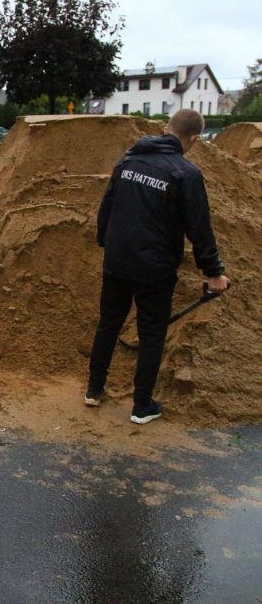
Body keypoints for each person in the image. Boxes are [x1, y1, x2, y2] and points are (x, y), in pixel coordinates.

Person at [85, 109, 230, 424]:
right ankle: (141, 406)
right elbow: (199, 228)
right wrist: (214, 272)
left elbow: (106, 207)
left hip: (118, 259)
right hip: (155, 267)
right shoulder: (185, 173)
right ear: (192, 138)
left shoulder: (128, 162)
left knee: (109, 322)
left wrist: (106, 243)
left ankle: (94, 390)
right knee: (151, 332)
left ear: (166, 129)